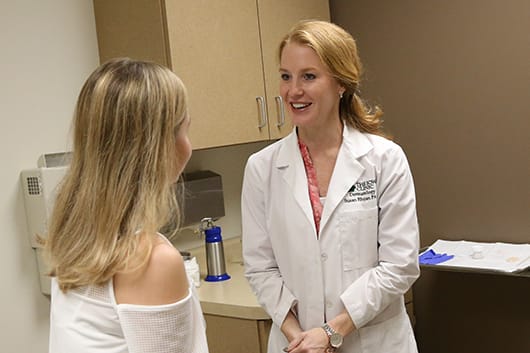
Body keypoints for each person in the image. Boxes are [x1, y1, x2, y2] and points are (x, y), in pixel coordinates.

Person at [241, 20, 420, 353]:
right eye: (285, 76)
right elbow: (260, 267)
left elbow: (399, 266)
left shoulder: (384, 160)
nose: (293, 91)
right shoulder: (261, 168)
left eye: (308, 76)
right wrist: (299, 337)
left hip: (373, 342)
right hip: (296, 344)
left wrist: (331, 332)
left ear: (341, 83)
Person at [45, 58, 209, 353]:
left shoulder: (73, 238)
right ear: (161, 147)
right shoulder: (151, 261)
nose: (188, 143)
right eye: (185, 128)